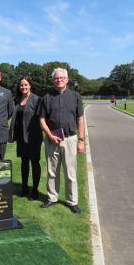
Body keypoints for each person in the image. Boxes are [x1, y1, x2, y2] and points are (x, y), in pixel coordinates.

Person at [39, 68, 85, 214]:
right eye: (56, 78)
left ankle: (72, 202)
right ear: (53, 80)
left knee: (70, 172)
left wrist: (81, 140)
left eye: (61, 78)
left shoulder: (75, 96)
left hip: (70, 139)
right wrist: (49, 135)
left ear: (67, 79)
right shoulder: (46, 97)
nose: (59, 80)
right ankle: (52, 198)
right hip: (52, 139)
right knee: (52, 171)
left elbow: (80, 119)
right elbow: (42, 119)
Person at [9, 76, 43, 201]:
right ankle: (24, 188)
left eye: (25, 85)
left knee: (35, 162)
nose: (23, 87)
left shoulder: (37, 100)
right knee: (24, 162)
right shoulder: (17, 99)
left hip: (33, 137)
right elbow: (16, 118)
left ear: (30, 86)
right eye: (21, 85)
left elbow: (41, 118)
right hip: (21, 136)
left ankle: (35, 190)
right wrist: (13, 131)